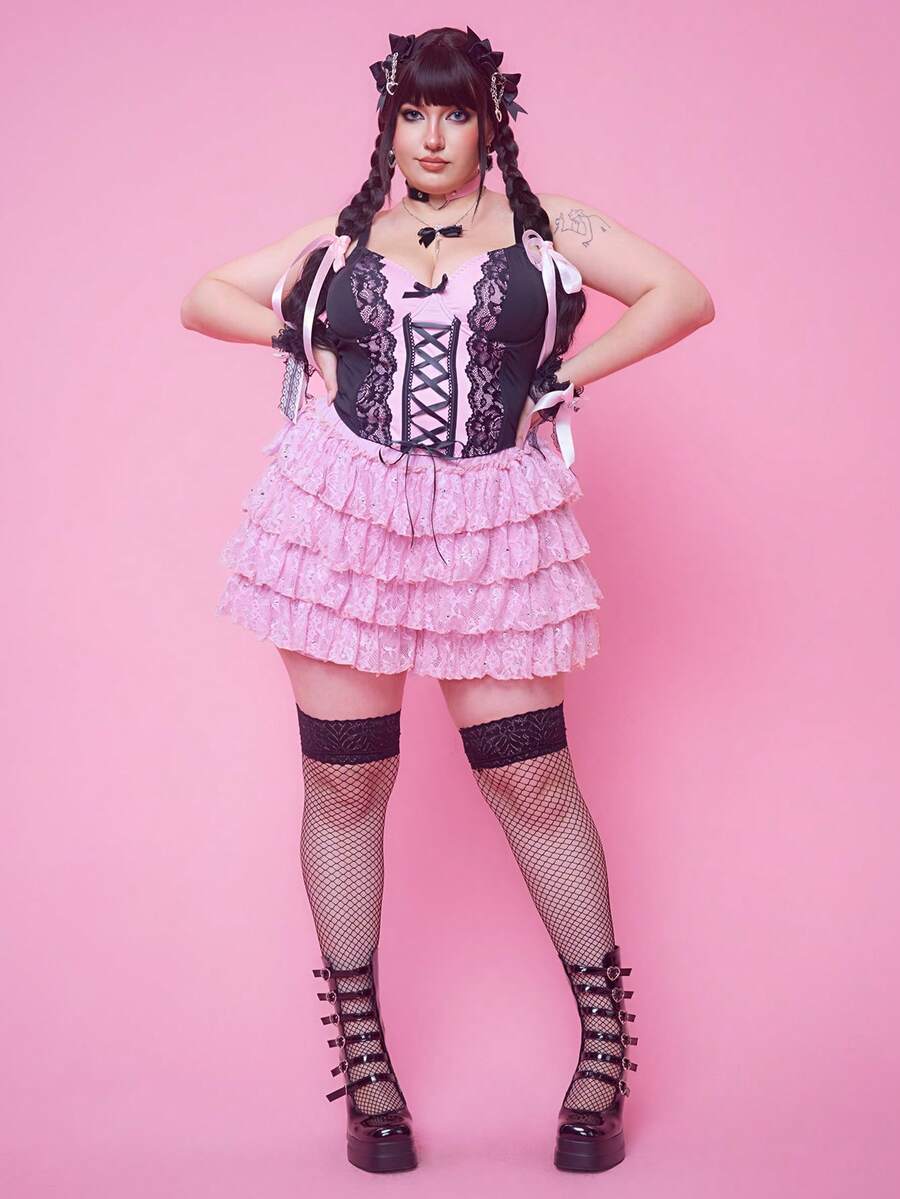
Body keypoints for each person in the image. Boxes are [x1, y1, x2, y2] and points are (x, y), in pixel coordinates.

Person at [181, 24, 714, 1176]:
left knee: (531, 779)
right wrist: (294, 331)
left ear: (490, 121)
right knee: (345, 782)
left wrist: (565, 377)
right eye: (413, 112)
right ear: (389, 122)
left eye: (456, 112)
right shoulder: (342, 238)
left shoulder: (547, 225)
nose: (432, 134)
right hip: (343, 519)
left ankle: (605, 1050)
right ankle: (366, 1067)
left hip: (490, 525)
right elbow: (202, 294)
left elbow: (682, 294)